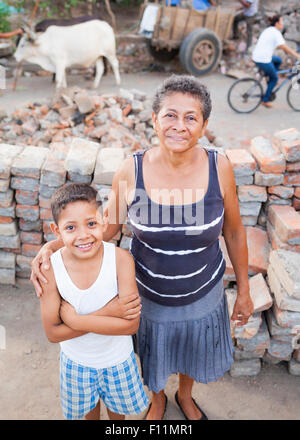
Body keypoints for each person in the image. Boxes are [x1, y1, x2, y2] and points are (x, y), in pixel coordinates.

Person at [31, 75, 253, 421]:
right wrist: (52, 245)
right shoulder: (131, 171)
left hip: (203, 290)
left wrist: (244, 289)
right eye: (170, 115)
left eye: (191, 117)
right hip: (148, 295)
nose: (179, 126)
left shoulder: (218, 167)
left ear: (204, 125)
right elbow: (107, 228)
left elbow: (235, 232)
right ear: (154, 119)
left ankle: (185, 394)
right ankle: (158, 397)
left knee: (190, 351)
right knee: (154, 354)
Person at [38, 183, 148, 420]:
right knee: (89, 416)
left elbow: (130, 326)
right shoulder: (51, 269)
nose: (83, 235)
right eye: (70, 227)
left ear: (104, 222)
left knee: (118, 417)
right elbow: (53, 334)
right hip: (77, 364)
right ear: (56, 231)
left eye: (91, 223)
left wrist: (76, 320)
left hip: (117, 360)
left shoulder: (120, 260)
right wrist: (108, 311)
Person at [252, 14, 300, 108]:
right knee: (275, 79)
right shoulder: (276, 33)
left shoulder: (269, 30)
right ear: (277, 23)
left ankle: (270, 75)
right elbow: (284, 47)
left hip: (259, 56)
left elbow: (278, 45)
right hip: (263, 59)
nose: (283, 24)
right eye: (282, 22)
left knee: (278, 60)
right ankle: (265, 100)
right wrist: (297, 55)